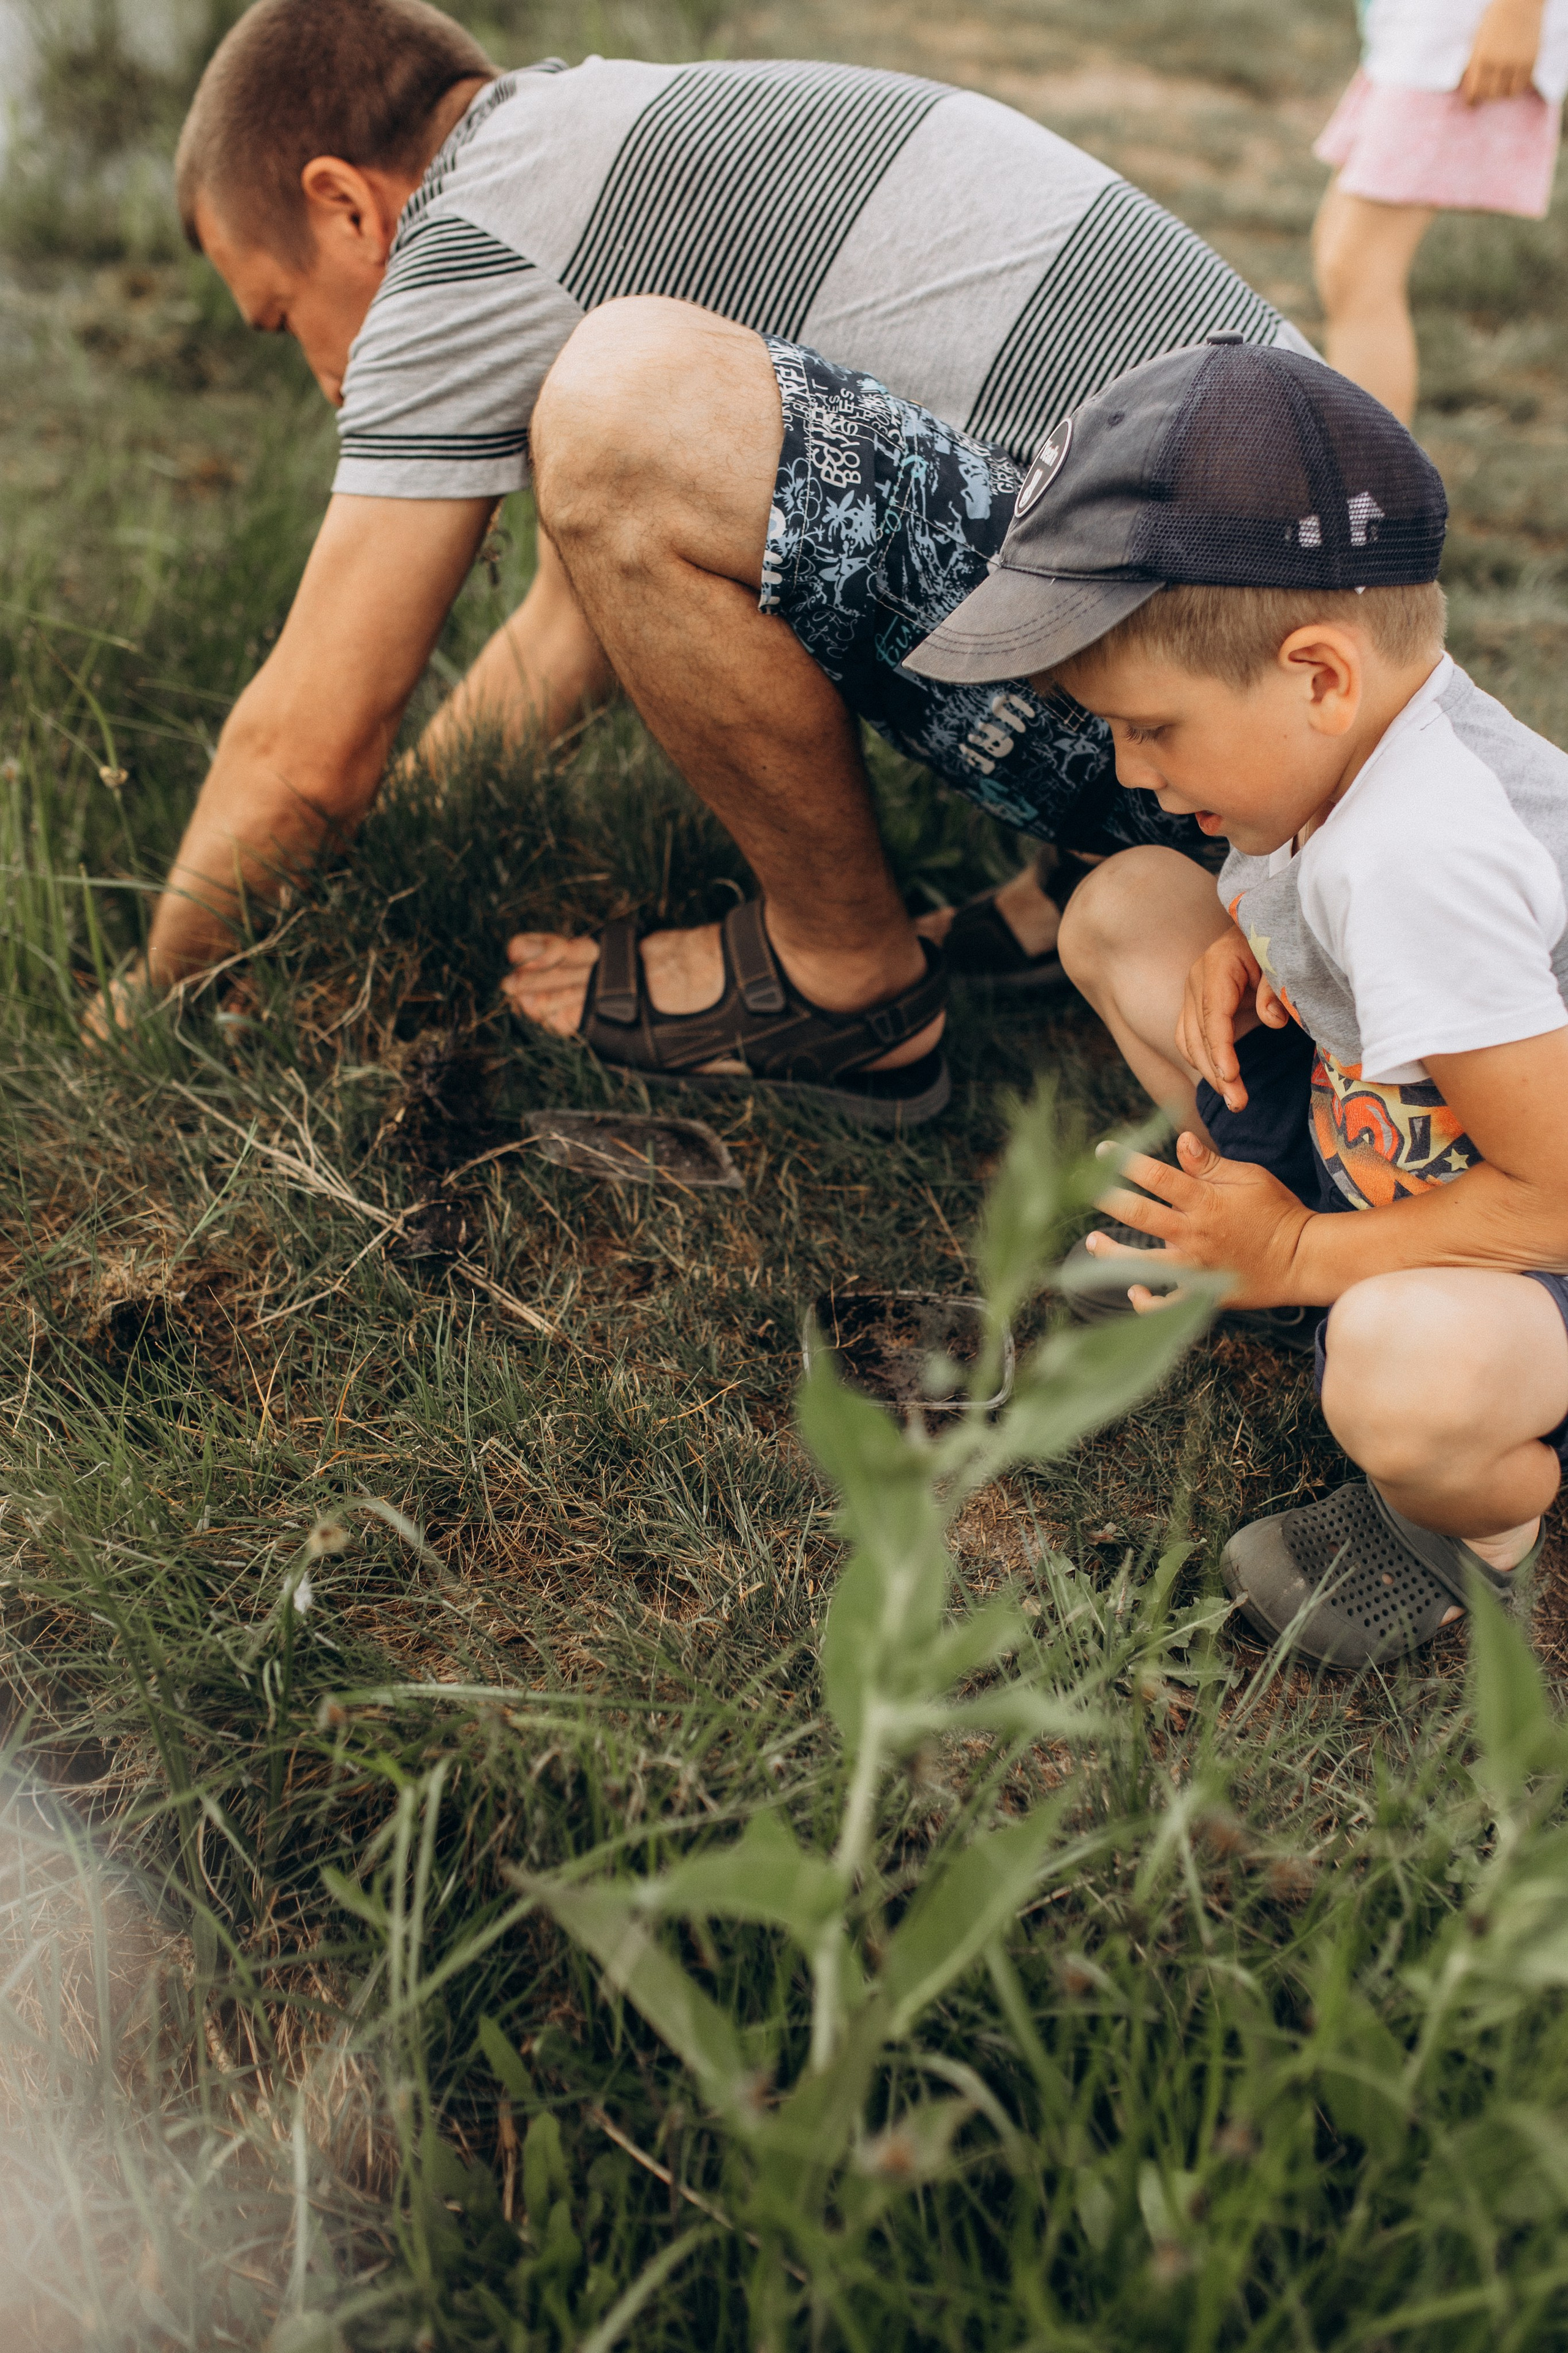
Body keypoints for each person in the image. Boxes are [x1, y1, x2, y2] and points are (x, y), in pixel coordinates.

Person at [125, 0, 1319, 1124]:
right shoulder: (597, 161)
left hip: (1221, 702)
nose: (328, 380)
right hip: (1312, 664)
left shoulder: (466, 232)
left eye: (285, 320)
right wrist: (390, 869)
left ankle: (841, 978)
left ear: (345, 206)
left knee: (622, 406)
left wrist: (150, 990)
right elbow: (563, 630)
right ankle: (1118, 860)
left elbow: (306, 746)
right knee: (627, 427)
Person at [903, 334, 1568, 1669]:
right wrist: (1257, 935)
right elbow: (1282, 879)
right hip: (1388, 1127)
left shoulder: (1415, 858)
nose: (1132, 773)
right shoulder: (1339, 745)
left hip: (1528, 1238)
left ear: (1316, 673)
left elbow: (1555, 1188)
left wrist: (1291, 1258)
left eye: (1150, 730)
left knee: (1398, 1372)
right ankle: (1261, 1228)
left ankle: (1472, 1530)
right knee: (1123, 904)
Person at [1313, 0, 1568, 421]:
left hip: (1455, 36)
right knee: (1341, 261)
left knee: (1358, 268)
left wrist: (1518, 10)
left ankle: (1371, 484)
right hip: (1413, 30)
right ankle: (1351, 473)